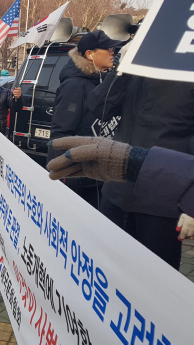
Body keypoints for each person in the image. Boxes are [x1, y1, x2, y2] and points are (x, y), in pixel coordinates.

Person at [85, 47, 194, 270]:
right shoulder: (134, 73)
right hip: (116, 195)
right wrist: (123, 69)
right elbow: (98, 106)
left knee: (154, 280)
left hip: (163, 203)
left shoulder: (188, 73)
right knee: (107, 270)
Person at [47, 137, 194, 243]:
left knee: (156, 275)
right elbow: (96, 105)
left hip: (162, 206)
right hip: (116, 194)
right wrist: (129, 162)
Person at [46, 30, 125, 207]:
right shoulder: (75, 85)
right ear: (90, 54)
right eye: (108, 49)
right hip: (80, 178)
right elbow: (61, 132)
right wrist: (65, 176)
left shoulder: (105, 81)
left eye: (114, 49)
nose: (113, 53)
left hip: (100, 174)